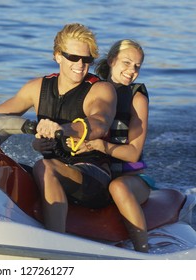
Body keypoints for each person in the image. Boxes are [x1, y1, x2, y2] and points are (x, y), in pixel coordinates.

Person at [0, 23, 117, 234]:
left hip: (93, 177)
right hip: (55, 170)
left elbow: (99, 121)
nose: (80, 64)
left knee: (44, 166)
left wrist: (62, 129)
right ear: (58, 56)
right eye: (73, 57)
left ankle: (55, 243)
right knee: (5, 166)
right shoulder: (37, 87)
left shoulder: (101, 89)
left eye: (87, 59)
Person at [68, 39, 153, 252]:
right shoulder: (92, 89)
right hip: (97, 170)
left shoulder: (137, 98)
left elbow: (133, 153)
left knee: (118, 187)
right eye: (126, 62)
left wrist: (98, 146)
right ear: (112, 60)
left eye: (137, 66)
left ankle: (143, 250)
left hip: (131, 178)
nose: (132, 70)